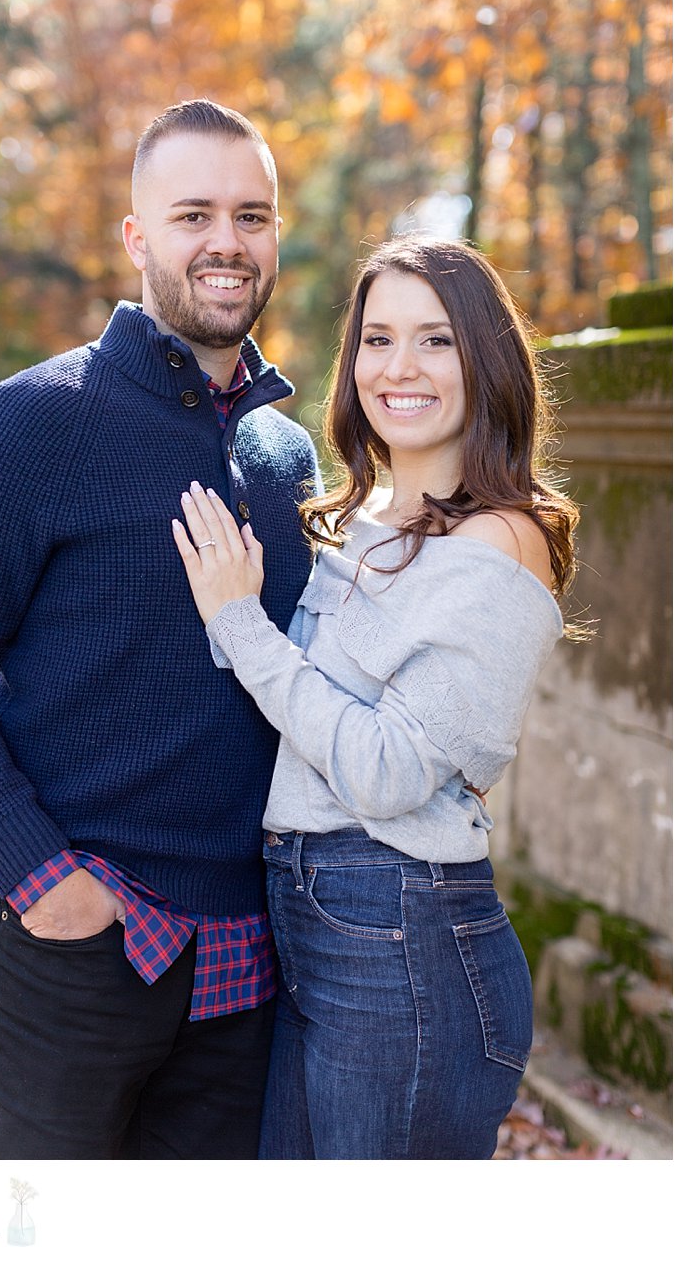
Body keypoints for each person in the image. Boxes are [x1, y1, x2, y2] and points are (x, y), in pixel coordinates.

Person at [0, 99, 319, 1159]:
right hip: (65, 945)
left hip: (243, 961)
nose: (225, 241)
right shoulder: (32, 421)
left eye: (251, 216)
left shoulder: (286, 456)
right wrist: (42, 876)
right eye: (193, 214)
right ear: (135, 238)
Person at [170, 235, 579, 1159]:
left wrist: (240, 624)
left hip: (402, 932)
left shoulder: (502, 541)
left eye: (435, 341)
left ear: (486, 360)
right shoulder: (358, 521)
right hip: (312, 913)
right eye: (376, 338)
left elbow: (386, 770)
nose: (398, 367)